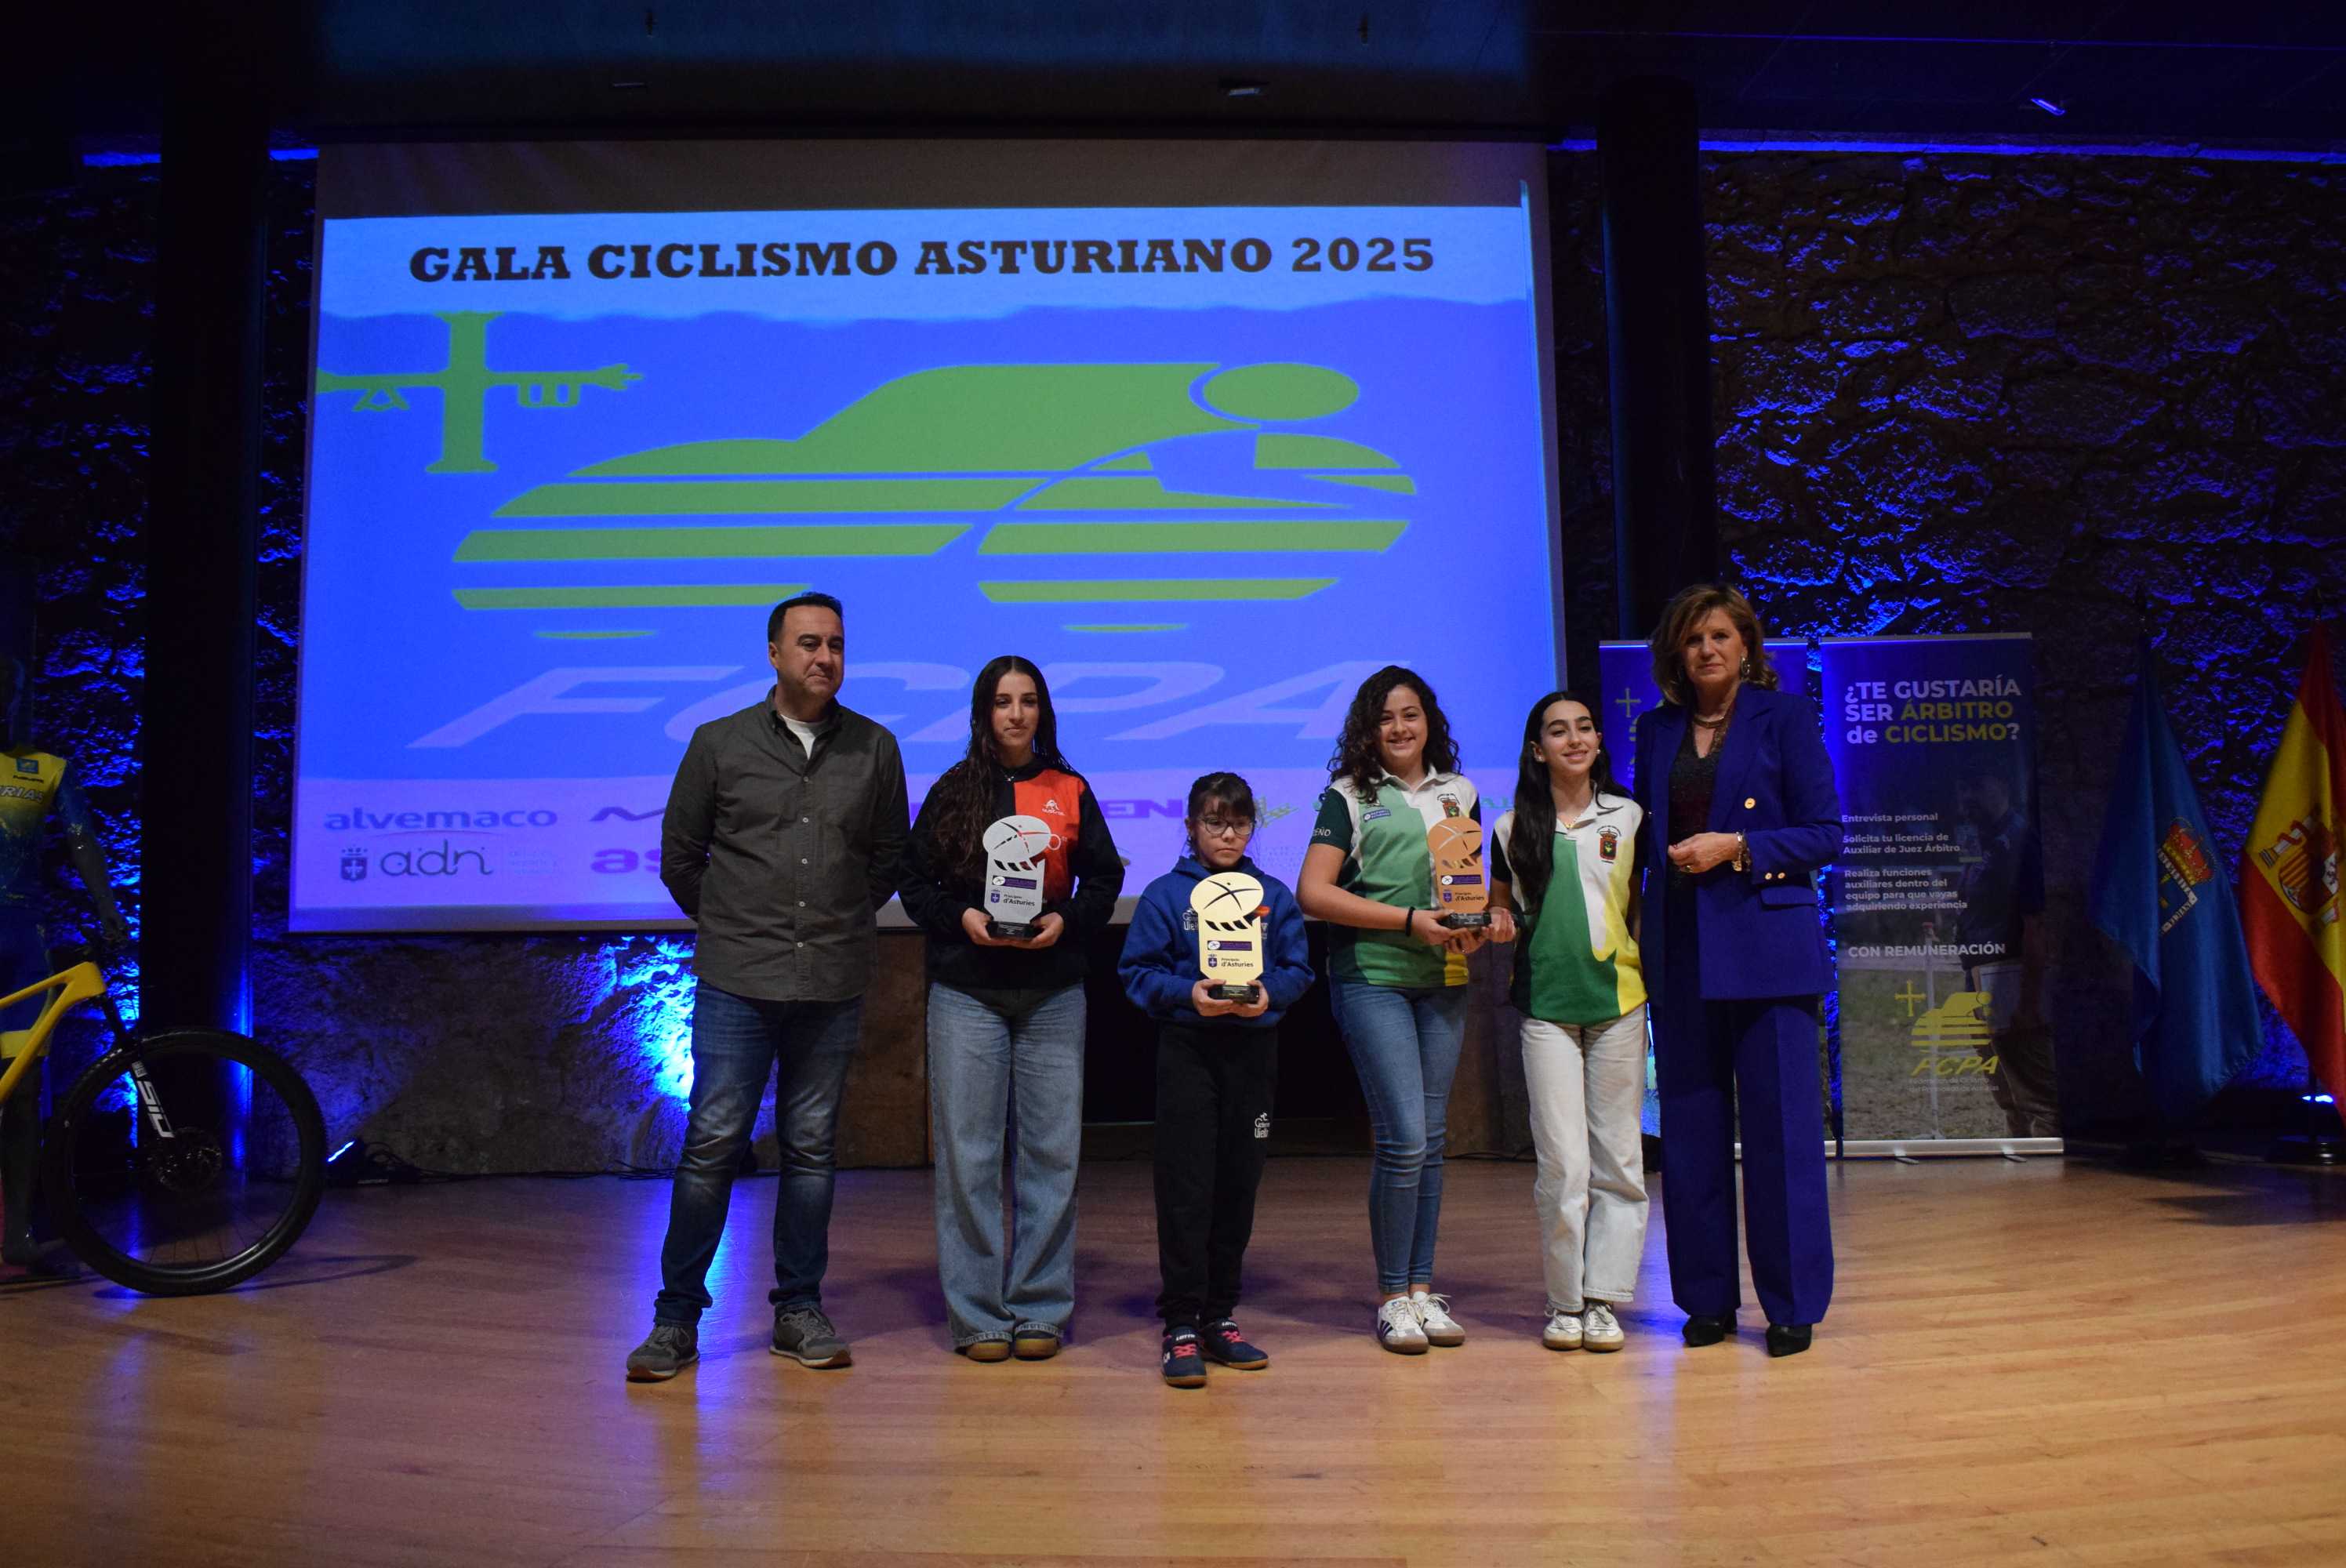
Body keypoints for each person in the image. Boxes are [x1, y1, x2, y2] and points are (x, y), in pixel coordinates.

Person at [624, 592, 911, 1383]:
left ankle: (798, 1308)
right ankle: (675, 1318)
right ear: (775, 653)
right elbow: (680, 854)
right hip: (737, 980)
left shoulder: (875, 749)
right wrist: (730, 922)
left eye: (837, 645)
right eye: (810, 643)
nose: (825, 658)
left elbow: (889, 855)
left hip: (831, 977)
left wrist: (843, 915)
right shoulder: (718, 744)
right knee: (713, 1142)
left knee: (811, 1151)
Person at [1632, 583, 1842, 1359]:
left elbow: (1825, 832)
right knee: (1688, 1136)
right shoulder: (1655, 730)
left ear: (1747, 646)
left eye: (1720, 635)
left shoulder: (1782, 719)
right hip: (1681, 949)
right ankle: (1706, 1299)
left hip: (1767, 950)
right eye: (1692, 639)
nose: (1707, 649)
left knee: (1782, 1137)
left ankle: (1790, 1303)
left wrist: (1739, 847)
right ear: (1676, 655)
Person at [902, 657, 1124, 1361]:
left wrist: (1069, 921)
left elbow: (1106, 876)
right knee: (968, 1158)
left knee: (1051, 1157)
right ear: (983, 712)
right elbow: (913, 882)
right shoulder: (954, 789)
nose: (1016, 715)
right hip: (967, 992)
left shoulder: (1070, 787)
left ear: (1044, 712)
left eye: (1028, 702)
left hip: (1054, 993)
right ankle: (977, 1316)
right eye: (1003, 702)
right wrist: (962, 916)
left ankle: (1038, 1307)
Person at [1296, 665, 1512, 1354]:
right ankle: (1392, 1295)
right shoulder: (1349, 796)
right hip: (1372, 977)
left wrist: (1485, 923)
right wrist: (1410, 919)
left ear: (1429, 723)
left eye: (1411, 715)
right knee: (1405, 1139)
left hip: (1444, 976)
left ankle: (1422, 1289)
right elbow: (1313, 894)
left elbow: (1474, 892)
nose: (1400, 728)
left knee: (1434, 1140)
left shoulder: (1461, 793)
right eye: (1386, 717)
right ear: (1368, 728)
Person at [1117, 771, 1313, 1388]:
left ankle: (1220, 1316)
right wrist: (1188, 995)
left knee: (1239, 1184)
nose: (1227, 834)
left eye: (1239, 822)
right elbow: (1138, 971)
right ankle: (1179, 1322)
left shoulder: (1273, 896)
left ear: (1253, 827)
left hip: (1253, 1053)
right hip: (1189, 1051)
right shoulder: (1164, 896)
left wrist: (1267, 994)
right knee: (1186, 1187)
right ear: (1191, 828)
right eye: (1214, 822)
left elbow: (1297, 968)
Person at [1488, 691, 1647, 1354]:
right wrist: (1491, 923)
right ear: (1537, 749)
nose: (1574, 739)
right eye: (1558, 731)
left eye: (1585, 727)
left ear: (1599, 741)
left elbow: (1641, 907)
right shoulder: (1507, 828)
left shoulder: (1630, 815)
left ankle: (1603, 1298)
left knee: (1619, 1161)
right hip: (1547, 1010)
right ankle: (1563, 1302)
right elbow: (1498, 910)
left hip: (1619, 1004)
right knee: (1563, 1163)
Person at [1, 657, 131, 1273]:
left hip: (24, 940)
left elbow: (82, 839)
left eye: (9, 688)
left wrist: (108, 908)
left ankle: (18, 1228)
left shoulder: (46, 769)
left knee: (22, 1093)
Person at [1953, 771, 2057, 1138]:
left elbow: (2036, 924)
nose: (1967, 796)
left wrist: (2028, 1002)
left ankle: (2047, 1187)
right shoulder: (1979, 840)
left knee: (2037, 1097)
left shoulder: (2020, 841)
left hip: (2011, 975)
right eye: (1963, 788)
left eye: (1976, 785)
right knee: (2006, 1092)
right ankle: (2019, 1172)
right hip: (1978, 972)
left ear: (2003, 784)